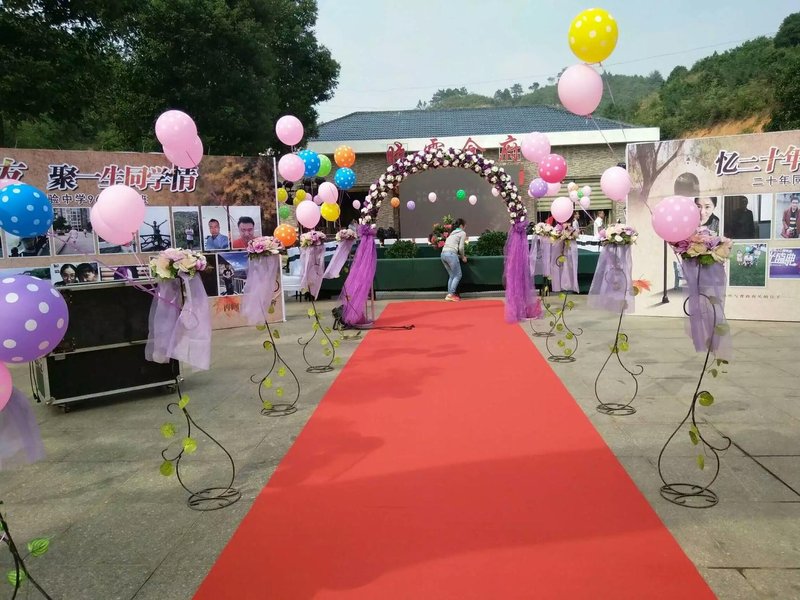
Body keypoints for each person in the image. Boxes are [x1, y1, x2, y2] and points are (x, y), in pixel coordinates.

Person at [441, 218, 467, 302]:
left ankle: (449, 294)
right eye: (464, 226)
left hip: (443, 254)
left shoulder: (451, 233)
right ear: (461, 226)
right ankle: (451, 294)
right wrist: (463, 257)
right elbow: (461, 248)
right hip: (451, 254)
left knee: (452, 275)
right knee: (458, 275)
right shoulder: (462, 233)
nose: (465, 228)